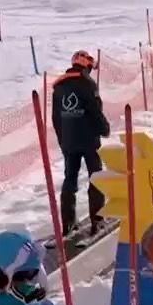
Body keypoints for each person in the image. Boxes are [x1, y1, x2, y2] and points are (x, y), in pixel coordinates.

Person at [51, 50, 111, 239]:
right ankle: (97, 220)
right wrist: (105, 128)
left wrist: (62, 139)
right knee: (96, 177)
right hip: (89, 139)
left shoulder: (59, 86)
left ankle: (68, 223)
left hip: (69, 140)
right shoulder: (88, 84)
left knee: (70, 179)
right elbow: (95, 111)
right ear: (87, 66)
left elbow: (56, 117)